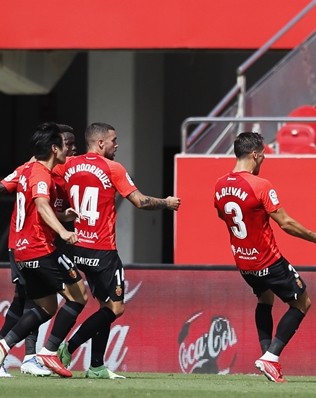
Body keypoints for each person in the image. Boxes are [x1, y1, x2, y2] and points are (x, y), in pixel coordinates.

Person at [51, 122, 181, 379]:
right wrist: (166, 203)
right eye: (113, 140)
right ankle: (69, 348)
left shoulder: (67, 165)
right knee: (116, 309)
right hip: (102, 251)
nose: (116, 145)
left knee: (103, 306)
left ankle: (97, 365)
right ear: (100, 143)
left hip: (76, 245)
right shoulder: (113, 168)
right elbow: (140, 202)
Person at [214, 131, 316, 383]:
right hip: (268, 260)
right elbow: (285, 223)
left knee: (265, 299)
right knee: (302, 303)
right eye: (263, 155)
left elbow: (223, 216)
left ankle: (267, 356)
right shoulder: (261, 185)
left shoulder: (220, 184)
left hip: (243, 262)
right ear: (255, 154)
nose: (264, 159)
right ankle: (270, 357)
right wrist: (315, 237)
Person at [0, 123, 87, 377]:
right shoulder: (41, 173)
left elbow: (37, 208)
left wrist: (63, 215)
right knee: (78, 294)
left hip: (22, 251)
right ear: (54, 148)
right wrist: (63, 231)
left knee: (46, 306)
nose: (68, 150)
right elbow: (40, 204)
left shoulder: (26, 170)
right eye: (65, 145)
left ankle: (5, 348)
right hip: (40, 248)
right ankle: (47, 353)